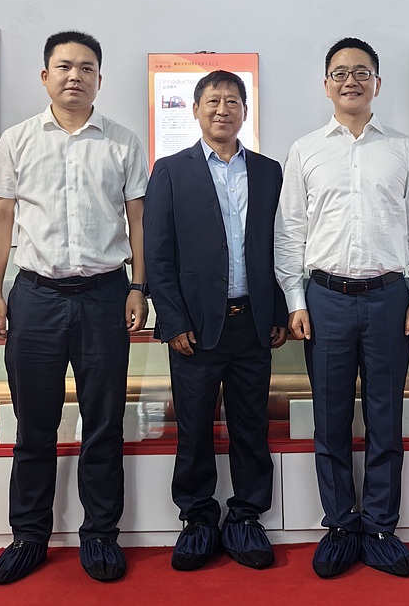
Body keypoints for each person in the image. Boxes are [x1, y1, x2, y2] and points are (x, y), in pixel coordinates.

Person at [0, 30, 149, 584]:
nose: (75, 76)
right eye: (64, 66)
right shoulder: (17, 140)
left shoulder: (123, 142)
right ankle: (28, 536)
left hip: (105, 296)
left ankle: (100, 534)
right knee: (34, 424)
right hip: (36, 297)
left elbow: (138, 221)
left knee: (104, 422)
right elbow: (0, 217)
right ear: (45, 75)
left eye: (86, 68)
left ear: (100, 78)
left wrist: (138, 287)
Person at [274, 37, 409, 578]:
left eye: (362, 72)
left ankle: (382, 527)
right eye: (341, 73)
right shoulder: (305, 151)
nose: (351, 80)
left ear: (377, 83)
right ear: (326, 85)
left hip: (390, 298)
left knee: (386, 418)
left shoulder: (403, 149)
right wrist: (295, 300)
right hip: (325, 300)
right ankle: (342, 524)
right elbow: (290, 232)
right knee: (331, 419)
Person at [144, 70, 288, 572]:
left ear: (245, 111)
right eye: (213, 101)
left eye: (232, 101)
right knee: (193, 428)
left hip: (253, 322)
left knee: (251, 426)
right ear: (195, 109)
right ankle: (198, 518)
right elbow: (158, 254)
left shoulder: (269, 172)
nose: (223, 109)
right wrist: (172, 319)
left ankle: (246, 516)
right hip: (194, 328)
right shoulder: (170, 171)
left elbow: (282, 246)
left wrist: (279, 311)